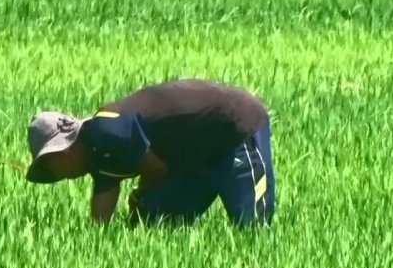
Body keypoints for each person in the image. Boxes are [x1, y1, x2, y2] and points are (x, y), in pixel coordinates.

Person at [24, 78, 276, 228]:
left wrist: (142, 193)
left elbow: (157, 170)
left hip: (235, 130)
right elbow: (101, 221)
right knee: (149, 221)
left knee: (252, 232)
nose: (56, 176)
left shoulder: (106, 129)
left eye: (49, 166)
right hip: (195, 156)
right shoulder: (98, 157)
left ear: (63, 151)